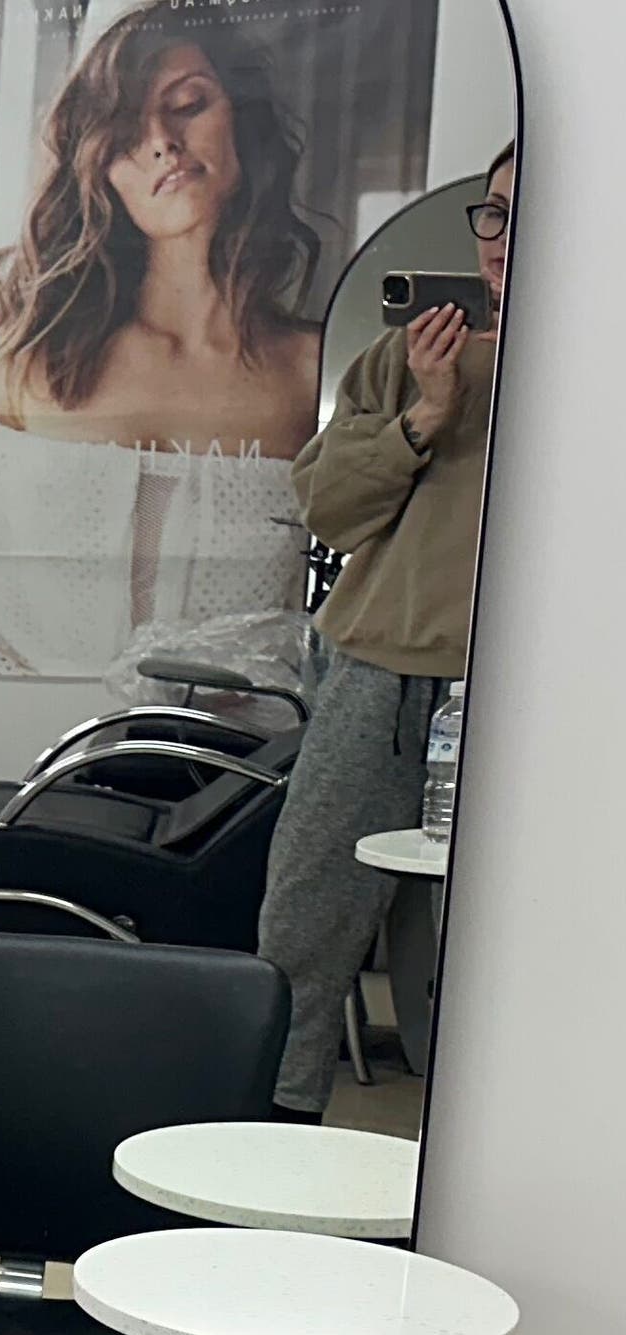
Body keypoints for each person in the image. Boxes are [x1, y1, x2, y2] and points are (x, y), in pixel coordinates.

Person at [0, 4, 326, 677]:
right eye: (126, 127)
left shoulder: (314, 371)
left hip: (242, 763)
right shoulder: (30, 365)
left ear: (240, 126)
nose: (160, 140)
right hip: (41, 749)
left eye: (188, 104)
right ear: (98, 166)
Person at [259, 144, 512, 1120]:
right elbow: (327, 507)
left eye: (526, 213)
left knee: (505, 941)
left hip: (541, 696)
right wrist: (424, 416)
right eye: (489, 215)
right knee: (308, 914)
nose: (499, 238)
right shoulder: (407, 359)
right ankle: (277, 1122)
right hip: (381, 674)